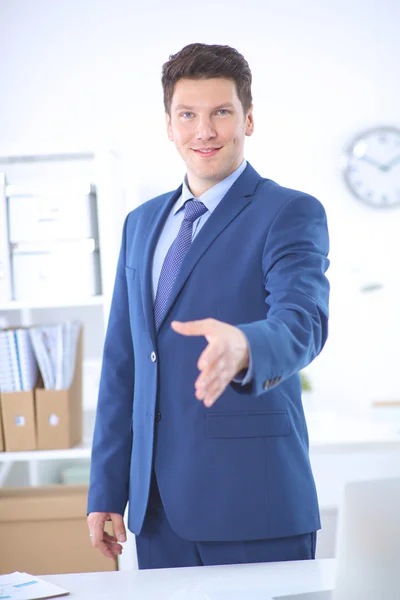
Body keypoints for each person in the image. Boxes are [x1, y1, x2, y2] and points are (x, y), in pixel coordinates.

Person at [87, 42, 330, 570]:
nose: (205, 131)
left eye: (221, 112)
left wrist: (245, 344)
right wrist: (106, 485)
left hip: (254, 502)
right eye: (188, 115)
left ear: (248, 119)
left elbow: (302, 320)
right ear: (169, 125)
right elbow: (123, 360)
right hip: (155, 511)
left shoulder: (288, 211)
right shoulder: (140, 224)